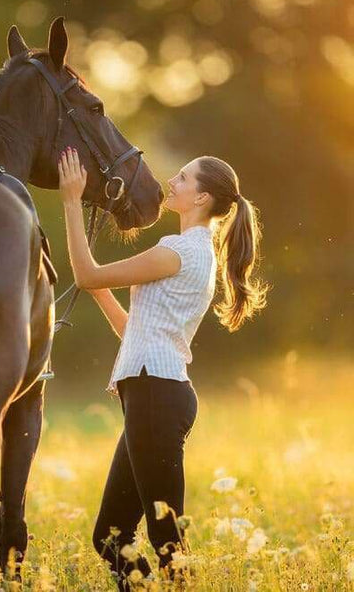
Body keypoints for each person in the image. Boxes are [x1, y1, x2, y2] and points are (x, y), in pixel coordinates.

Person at [57, 147, 269, 588]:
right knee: (111, 539)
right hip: (153, 392)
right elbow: (136, 331)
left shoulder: (179, 251)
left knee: (165, 538)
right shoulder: (195, 253)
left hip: (157, 395)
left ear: (202, 198)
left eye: (185, 178)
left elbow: (84, 273)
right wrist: (100, 291)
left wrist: (72, 200)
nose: (173, 180)